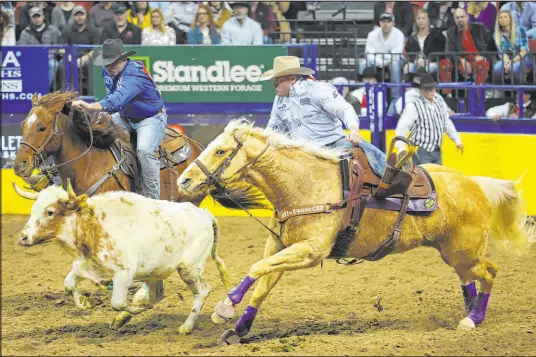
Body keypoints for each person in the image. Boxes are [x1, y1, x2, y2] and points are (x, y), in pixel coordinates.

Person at [259, 56, 387, 177]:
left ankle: (391, 174)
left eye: (277, 80)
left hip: (332, 144)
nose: (274, 84)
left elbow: (344, 108)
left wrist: (354, 130)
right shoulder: (279, 100)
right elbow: (273, 126)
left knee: (368, 151)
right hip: (301, 151)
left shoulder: (317, 90)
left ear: (292, 78)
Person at [71, 39, 167, 201]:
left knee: (144, 151)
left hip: (150, 118)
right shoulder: (107, 71)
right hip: (124, 116)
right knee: (94, 130)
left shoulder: (134, 74)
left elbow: (117, 99)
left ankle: (153, 199)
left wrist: (91, 106)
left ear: (123, 60)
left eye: (113, 63)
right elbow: (111, 95)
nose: (109, 67)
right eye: (106, 63)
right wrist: (103, 115)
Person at [395, 74, 464, 165]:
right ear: (420, 90)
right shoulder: (414, 106)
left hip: (437, 150)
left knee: (436, 178)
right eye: (426, 89)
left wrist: (457, 140)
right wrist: (401, 148)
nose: (429, 92)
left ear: (435, 89)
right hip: (421, 151)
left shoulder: (440, 103)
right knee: (424, 177)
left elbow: (447, 123)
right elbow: (402, 128)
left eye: (431, 89)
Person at [493, 9, 532, 81]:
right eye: (500, 18)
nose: (503, 19)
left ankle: (519, 91)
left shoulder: (520, 31)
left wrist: (512, 62)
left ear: (510, 19)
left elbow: (524, 51)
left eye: (505, 17)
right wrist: (507, 62)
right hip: (507, 59)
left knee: (514, 68)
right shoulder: (497, 35)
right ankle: (501, 91)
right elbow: (502, 52)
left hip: (523, 58)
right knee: (496, 69)